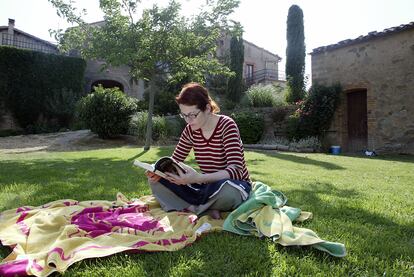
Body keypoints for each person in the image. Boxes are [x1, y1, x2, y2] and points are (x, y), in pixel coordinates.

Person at [147, 82, 251, 219]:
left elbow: (236, 170)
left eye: (193, 115)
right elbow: (175, 161)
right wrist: (159, 171)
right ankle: (204, 209)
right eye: (184, 115)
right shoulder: (190, 130)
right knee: (156, 181)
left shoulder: (227, 125)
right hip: (205, 186)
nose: (188, 121)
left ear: (207, 108)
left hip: (231, 184)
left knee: (229, 192)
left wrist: (198, 178)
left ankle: (190, 207)